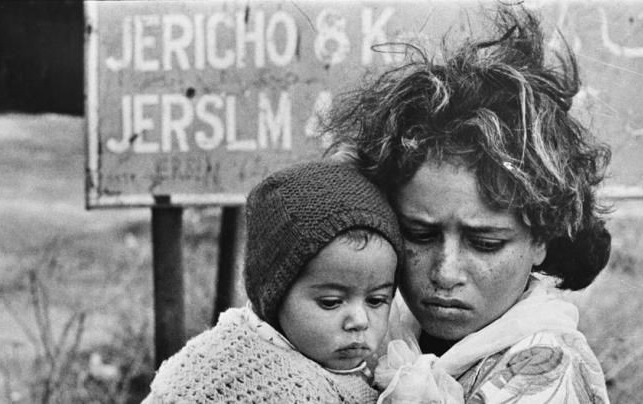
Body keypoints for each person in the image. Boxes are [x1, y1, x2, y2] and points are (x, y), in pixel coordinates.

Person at [323, 6, 612, 403]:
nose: (445, 273)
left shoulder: (545, 370)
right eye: (419, 234)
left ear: (541, 239)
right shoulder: (387, 333)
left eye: (485, 243)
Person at [142, 161, 403, 403]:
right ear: (274, 294)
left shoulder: (371, 366)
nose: (360, 320)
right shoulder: (257, 378)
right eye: (331, 302)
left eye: (376, 300)